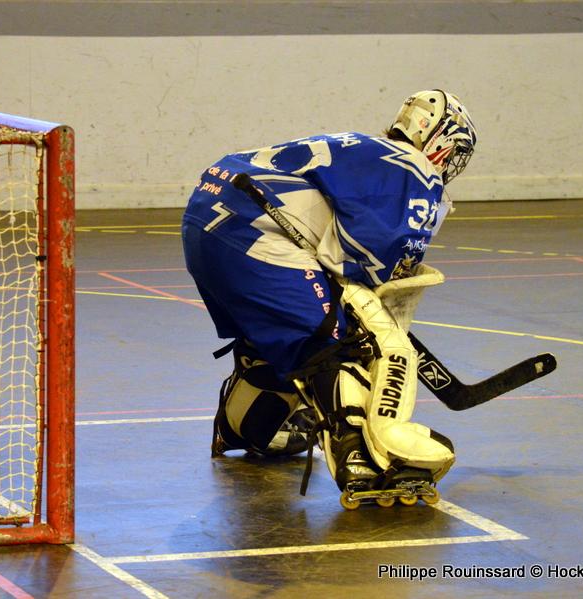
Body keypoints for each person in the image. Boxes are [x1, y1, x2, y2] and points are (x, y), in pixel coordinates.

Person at [181, 90, 478, 506]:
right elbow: (371, 265)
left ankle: (249, 426)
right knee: (338, 340)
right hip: (253, 231)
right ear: (442, 141)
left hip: (206, 218)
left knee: (279, 335)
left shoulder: (365, 149)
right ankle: (360, 458)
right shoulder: (415, 168)